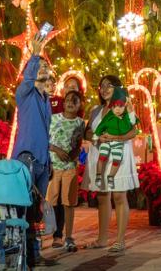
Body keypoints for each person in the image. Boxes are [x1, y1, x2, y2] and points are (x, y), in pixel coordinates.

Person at [11, 30, 56, 266]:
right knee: (24, 209)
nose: (44, 73)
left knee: (36, 211)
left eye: (46, 71)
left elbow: (46, 135)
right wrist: (35, 55)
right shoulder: (25, 95)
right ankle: (24, 255)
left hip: (41, 162)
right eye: (40, 70)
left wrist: (48, 163)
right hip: (26, 159)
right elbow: (28, 79)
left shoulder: (45, 100)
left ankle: (34, 253)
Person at [84, 74, 138, 254]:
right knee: (102, 196)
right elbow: (88, 132)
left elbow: (133, 132)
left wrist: (115, 137)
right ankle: (102, 239)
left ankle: (120, 240)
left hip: (118, 155)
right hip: (99, 155)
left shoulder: (124, 106)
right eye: (102, 86)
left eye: (109, 85)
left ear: (118, 89)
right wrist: (95, 137)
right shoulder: (95, 110)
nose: (105, 89)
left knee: (119, 196)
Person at [46, 89, 85, 251]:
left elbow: (78, 144)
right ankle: (56, 235)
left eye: (74, 101)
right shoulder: (54, 118)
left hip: (69, 168)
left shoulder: (80, 123)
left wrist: (73, 154)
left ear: (80, 105)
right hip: (53, 167)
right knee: (52, 202)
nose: (70, 103)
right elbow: (45, 140)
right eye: (68, 100)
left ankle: (69, 236)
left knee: (68, 203)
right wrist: (56, 150)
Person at [92, 87, 137, 191]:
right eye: (115, 107)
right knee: (102, 156)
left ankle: (111, 176)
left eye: (120, 106)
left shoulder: (126, 117)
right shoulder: (108, 116)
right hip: (106, 141)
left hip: (118, 143)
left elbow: (133, 123)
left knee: (117, 159)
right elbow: (100, 126)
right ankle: (98, 175)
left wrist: (130, 110)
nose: (117, 109)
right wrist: (96, 137)